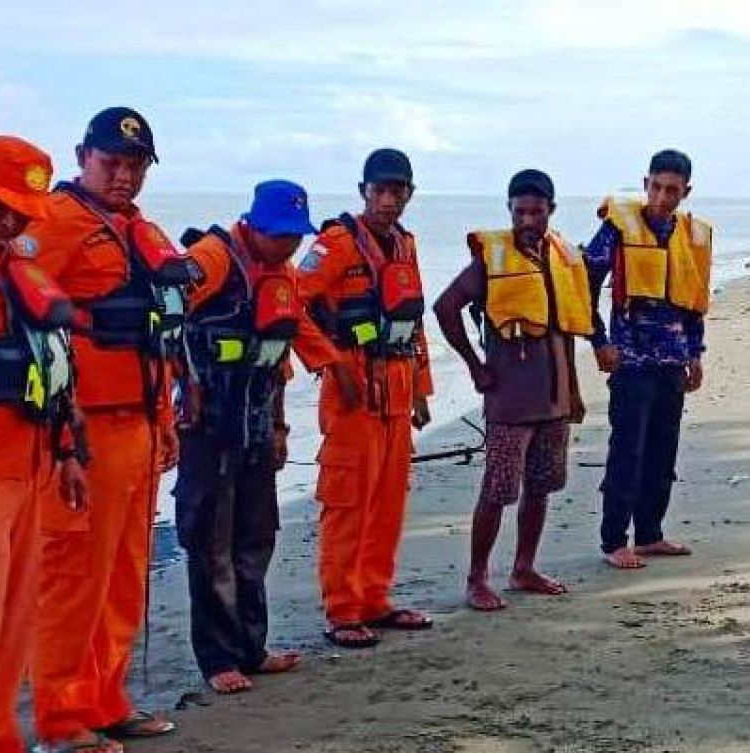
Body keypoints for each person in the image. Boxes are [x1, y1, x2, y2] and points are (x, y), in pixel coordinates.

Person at [27, 107, 194, 753]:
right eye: (112, 162)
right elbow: (27, 321)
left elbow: (158, 332)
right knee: (72, 577)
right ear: (81, 155)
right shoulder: (51, 224)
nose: (124, 175)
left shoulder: (138, 230)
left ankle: (107, 699)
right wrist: (57, 434)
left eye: (136, 165)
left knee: (125, 574)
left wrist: (164, 422)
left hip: (140, 427)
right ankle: (61, 718)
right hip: (84, 433)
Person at [176, 180, 346, 692]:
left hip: (254, 424)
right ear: (253, 225)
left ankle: (252, 648)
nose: (289, 246)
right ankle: (218, 659)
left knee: (256, 538)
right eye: (280, 236)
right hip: (209, 427)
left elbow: (278, 356)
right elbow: (165, 316)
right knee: (211, 543)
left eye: (296, 237)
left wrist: (278, 426)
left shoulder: (284, 276)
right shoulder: (212, 257)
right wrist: (183, 389)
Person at [433, 169, 593, 611]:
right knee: (499, 489)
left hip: (555, 394)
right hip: (510, 396)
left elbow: (567, 330)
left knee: (541, 486)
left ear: (551, 212)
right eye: (519, 211)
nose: (527, 220)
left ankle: (524, 568)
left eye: (536, 212)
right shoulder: (492, 259)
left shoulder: (562, 257)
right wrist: (474, 365)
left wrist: (574, 391)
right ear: (508, 210)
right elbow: (445, 307)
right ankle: (477, 577)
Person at [298, 149, 434, 647]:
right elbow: (290, 302)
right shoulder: (335, 244)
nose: (389, 199)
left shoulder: (405, 246)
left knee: (387, 504)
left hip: (396, 390)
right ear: (363, 191)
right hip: (352, 389)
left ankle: (375, 598)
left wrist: (421, 389)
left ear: (409, 194)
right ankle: (342, 609)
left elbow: (413, 320)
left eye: (398, 190)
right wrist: (328, 360)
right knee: (348, 501)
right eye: (380, 189)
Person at [0, 135, 85, 753]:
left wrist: (69, 450)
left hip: (30, 471)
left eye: (21, 213)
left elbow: (50, 369)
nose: (9, 222)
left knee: (9, 642)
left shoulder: (16, 272)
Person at [585, 149, 712, 570]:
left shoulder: (692, 236)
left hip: (673, 361)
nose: (662, 197)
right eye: (656, 187)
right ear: (645, 184)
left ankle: (651, 534)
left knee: (663, 451)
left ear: (686, 192)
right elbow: (584, 284)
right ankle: (613, 541)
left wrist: (696, 354)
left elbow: (694, 301)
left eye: (672, 190)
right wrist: (599, 341)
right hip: (631, 361)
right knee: (628, 451)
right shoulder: (618, 229)